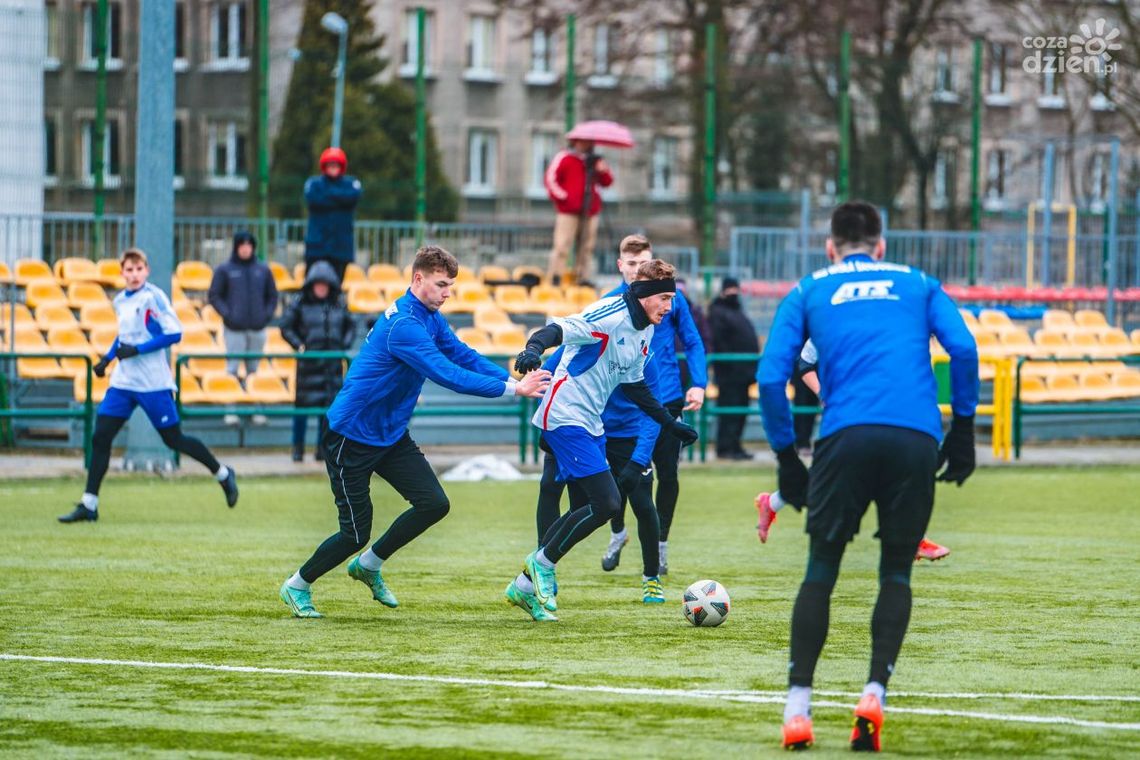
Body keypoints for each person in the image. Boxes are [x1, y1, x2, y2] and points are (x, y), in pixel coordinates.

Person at [756, 202, 978, 750]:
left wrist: (787, 459)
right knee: (896, 573)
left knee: (822, 568)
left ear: (831, 247)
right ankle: (874, 694)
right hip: (914, 438)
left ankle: (798, 710)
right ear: (882, 246)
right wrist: (965, 429)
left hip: (844, 435)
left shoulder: (810, 287)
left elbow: (769, 377)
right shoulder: (919, 282)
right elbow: (965, 348)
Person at [278, 246, 550, 618]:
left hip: (388, 434)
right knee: (354, 533)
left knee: (434, 503)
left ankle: (369, 565)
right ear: (417, 279)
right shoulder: (404, 325)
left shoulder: (428, 315)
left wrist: (512, 377)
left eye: (450, 285)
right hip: (350, 436)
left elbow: (461, 353)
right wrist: (513, 390)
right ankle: (297, 585)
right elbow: (446, 373)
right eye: (441, 284)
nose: (447, 292)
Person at [505, 259, 698, 622]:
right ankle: (541, 563)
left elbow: (635, 386)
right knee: (607, 502)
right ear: (645, 296)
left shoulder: (645, 331)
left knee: (588, 503)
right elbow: (557, 329)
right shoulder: (608, 314)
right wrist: (533, 349)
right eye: (665, 299)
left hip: (591, 423)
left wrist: (668, 424)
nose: (670, 308)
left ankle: (525, 584)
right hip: (564, 415)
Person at [58, 248, 239, 523]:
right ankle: (89, 504)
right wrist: (107, 360)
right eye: (128, 270)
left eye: (138, 269)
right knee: (101, 436)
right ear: (122, 273)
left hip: (153, 383)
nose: (133, 274)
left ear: (146, 270)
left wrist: (139, 350)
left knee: (173, 439)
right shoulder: (120, 300)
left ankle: (223, 473)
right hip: (124, 382)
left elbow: (174, 333)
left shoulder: (153, 297)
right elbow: (124, 336)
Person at [756, 339, 953, 562]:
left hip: (885, 408)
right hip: (847, 414)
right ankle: (772, 502)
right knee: (834, 484)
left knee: (895, 471)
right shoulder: (833, 315)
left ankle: (915, 538)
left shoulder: (894, 319)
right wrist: (823, 394)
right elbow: (804, 364)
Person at [599, 235, 706, 576]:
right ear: (621, 266)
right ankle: (618, 533)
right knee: (621, 476)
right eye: (631, 264)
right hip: (628, 405)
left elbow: (692, 340)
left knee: (667, 474)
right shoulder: (609, 303)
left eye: (643, 263)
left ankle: (660, 547)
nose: (637, 270)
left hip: (668, 398)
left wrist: (699, 383)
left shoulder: (672, 299)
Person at [534, 344, 665, 604]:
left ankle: (652, 579)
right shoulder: (584, 340)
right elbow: (544, 381)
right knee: (554, 489)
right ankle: (541, 569)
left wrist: (639, 460)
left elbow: (654, 412)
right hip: (579, 431)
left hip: (626, 435)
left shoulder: (643, 355)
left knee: (643, 503)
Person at [280, 261, 355, 463]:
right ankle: (298, 450)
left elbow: (350, 326)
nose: (321, 288)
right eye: (318, 284)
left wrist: (343, 345)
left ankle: (323, 451)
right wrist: (300, 346)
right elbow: (285, 326)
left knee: (328, 410)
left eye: (325, 284)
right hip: (309, 367)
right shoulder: (300, 303)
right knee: (302, 410)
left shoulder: (338, 303)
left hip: (332, 366)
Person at [544, 138, 613, 284]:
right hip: (568, 210)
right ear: (575, 142)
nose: (586, 144)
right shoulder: (564, 157)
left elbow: (607, 182)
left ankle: (582, 277)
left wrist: (602, 170)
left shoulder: (595, 161)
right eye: (582, 141)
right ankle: (555, 277)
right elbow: (551, 179)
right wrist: (564, 198)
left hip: (590, 210)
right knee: (562, 245)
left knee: (586, 247)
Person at [707, 276, 759, 460]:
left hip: (743, 373)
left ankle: (735, 446)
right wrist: (732, 366)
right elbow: (720, 342)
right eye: (731, 290)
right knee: (729, 412)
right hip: (729, 374)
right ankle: (726, 448)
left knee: (739, 412)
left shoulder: (736, 311)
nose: (734, 293)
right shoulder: (718, 312)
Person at [303, 147, 362, 284]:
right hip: (316, 246)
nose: (333, 168)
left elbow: (353, 196)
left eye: (336, 165)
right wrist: (340, 198)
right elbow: (313, 199)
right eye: (330, 165)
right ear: (324, 166)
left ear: (342, 167)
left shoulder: (351, 183)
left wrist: (327, 194)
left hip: (340, 248)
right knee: (312, 283)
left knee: (336, 284)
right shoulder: (314, 183)